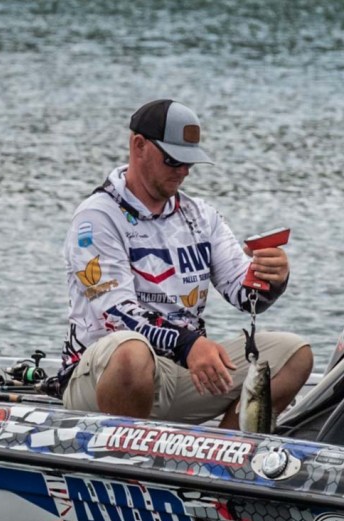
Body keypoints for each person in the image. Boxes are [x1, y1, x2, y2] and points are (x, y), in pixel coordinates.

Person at [59, 99, 313, 429]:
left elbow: (246, 296)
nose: (184, 171)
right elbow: (117, 314)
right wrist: (189, 344)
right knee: (132, 352)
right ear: (139, 146)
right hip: (103, 378)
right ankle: (125, 454)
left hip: (180, 370)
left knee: (294, 354)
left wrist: (272, 276)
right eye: (173, 160)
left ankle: (226, 454)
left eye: (189, 162)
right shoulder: (96, 218)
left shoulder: (201, 216)